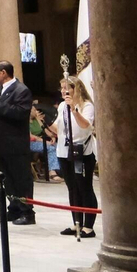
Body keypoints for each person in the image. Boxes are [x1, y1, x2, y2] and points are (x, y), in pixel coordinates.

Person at [0, 60, 36, 224]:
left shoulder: (21, 90)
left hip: (15, 142)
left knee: (20, 178)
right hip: (0, 142)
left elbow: (19, 113)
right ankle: (13, 209)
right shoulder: (0, 90)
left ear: (4, 72)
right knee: (6, 178)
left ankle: (27, 212)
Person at [51, 76, 98, 237]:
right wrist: (42, 120)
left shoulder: (87, 105)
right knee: (72, 188)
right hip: (64, 151)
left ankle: (88, 226)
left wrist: (74, 110)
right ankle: (76, 222)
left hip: (82, 152)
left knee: (84, 187)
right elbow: (58, 129)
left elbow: (86, 125)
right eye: (62, 88)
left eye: (66, 88)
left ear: (76, 88)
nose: (63, 91)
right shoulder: (62, 106)